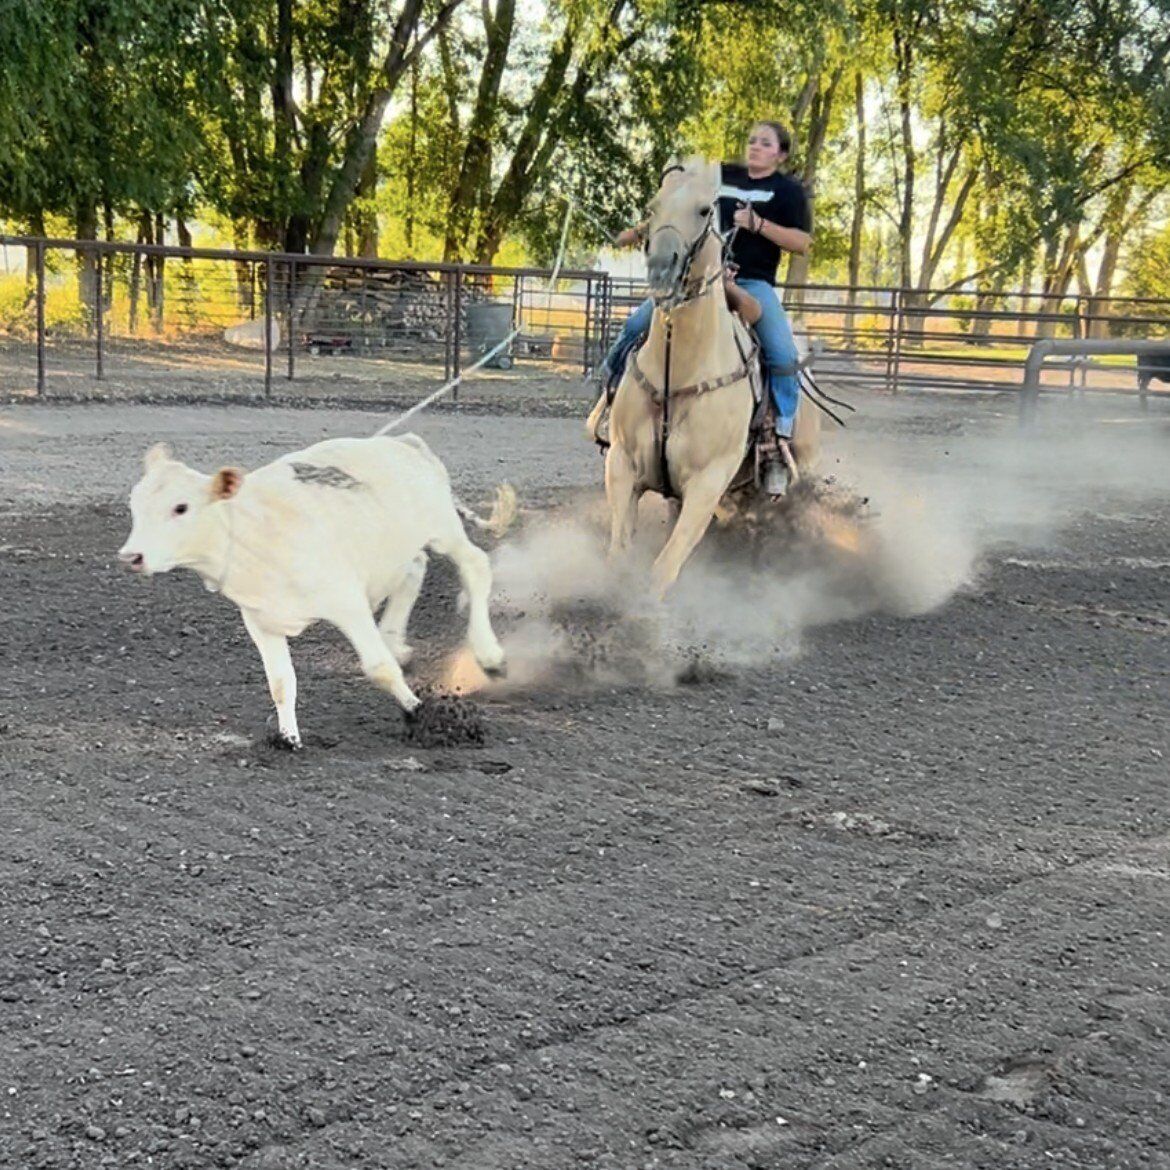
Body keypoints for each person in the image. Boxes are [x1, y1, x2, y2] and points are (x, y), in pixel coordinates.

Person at [599, 120, 811, 496]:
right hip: (700, 280)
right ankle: (610, 400)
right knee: (636, 326)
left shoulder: (787, 191)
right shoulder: (721, 176)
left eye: (765, 143)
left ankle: (777, 437)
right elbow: (680, 206)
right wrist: (640, 231)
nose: (755, 147)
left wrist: (758, 224)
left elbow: (801, 243)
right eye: (752, 140)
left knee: (782, 352)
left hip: (752, 284)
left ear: (781, 154)